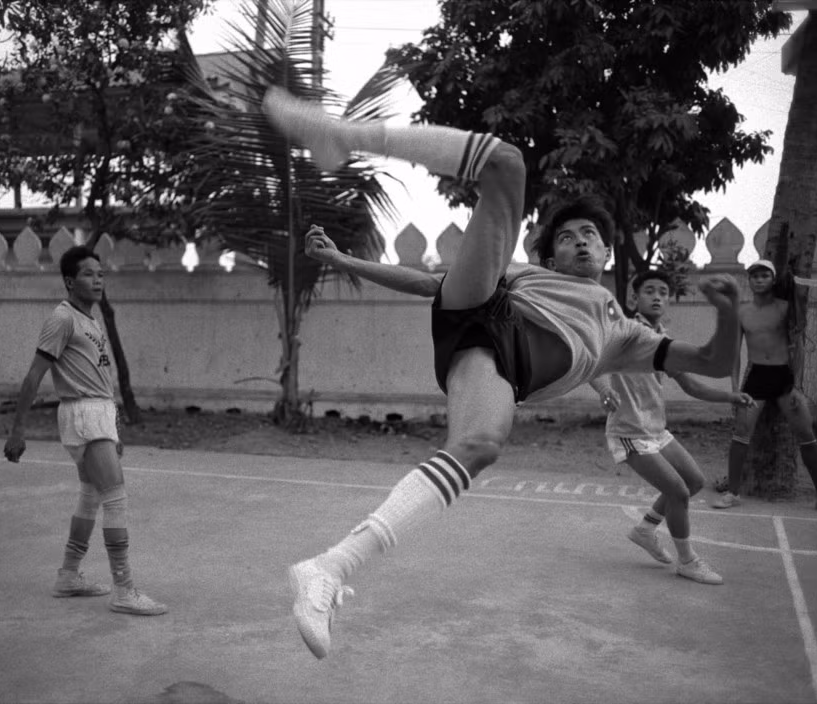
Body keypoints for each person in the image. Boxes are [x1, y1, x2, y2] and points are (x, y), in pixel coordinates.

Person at [263, 86, 742, 659]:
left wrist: (730, 312)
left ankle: (327, 568)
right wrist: (342, 260)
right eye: (566, 237)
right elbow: (427, 284)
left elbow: (711, 362)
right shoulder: (524, 275)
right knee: (508, 162)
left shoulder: (628, 333)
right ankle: (345, 137)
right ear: (551, 257)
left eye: (589, 235)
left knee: (481, 445)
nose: (579, 241)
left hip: (505, 365)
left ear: (607, 253)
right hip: (488, 308)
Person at [4, 245, 168, 616]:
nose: (98, 280)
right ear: (69, 281)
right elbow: (33, 376)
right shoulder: (62, 319)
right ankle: (124, 589)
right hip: (82, 414)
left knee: (92, 496)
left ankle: (68, 575)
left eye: (101, 274)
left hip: (98, 414)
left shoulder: (90, 320)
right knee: (116, 497)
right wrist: (17, 431)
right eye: (89, 274)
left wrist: (114, 425)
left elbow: (98, 376)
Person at [589, 269, 757, 586]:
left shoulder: (660, 339)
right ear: (632, 298)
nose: (657, 296)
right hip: (629, 432)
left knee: (694, 481)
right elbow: (593, 364)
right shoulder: (625, 333)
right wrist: (604, 390)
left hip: (655, 429)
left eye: (663, 292)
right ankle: (688, 561)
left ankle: (645, 529)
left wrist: (729, 396)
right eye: (650, 290)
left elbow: (691, 386)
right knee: (678, 491)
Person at [712, 259, 817, 516]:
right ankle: (733, 493)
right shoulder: (742, 312)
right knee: (740, 433)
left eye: (765, 275)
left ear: (773, 280)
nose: (759, 280)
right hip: (756, 378)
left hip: (784, 378)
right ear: (749, 281)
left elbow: (798, 346)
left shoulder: (786, 308)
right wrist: (733, 389)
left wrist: (798, 385)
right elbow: (734, 353)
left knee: (807, 436)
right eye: (755, 276)